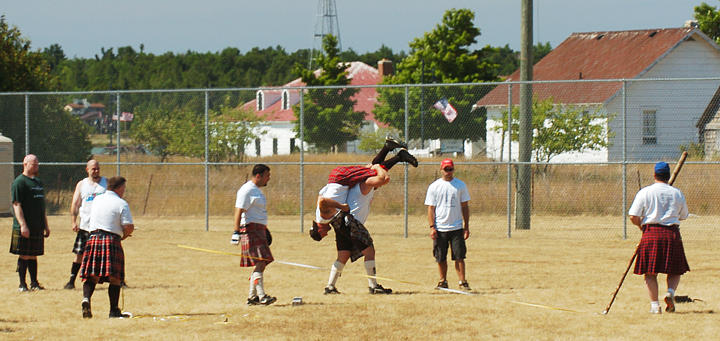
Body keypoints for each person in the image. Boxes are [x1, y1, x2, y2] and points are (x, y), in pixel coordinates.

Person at [310, 138, 417, 241]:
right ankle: (394, 152)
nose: (327, 234)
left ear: (319, 230)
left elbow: (322, 200)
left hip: (341, 179)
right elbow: (321, 195)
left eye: (323, 235)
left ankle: (394, 152)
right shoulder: (320, 215)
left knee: (375, 172)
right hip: (339, 180)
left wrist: (342, 206)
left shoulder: (324, 217)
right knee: (372, 170)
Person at [628, 161, 689, 314]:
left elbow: (633, 216)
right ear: (668, 176)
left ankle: (655, 306)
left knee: (650, 272)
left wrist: (641, 226)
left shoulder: (645, 192)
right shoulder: (677, 193)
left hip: (651, 234)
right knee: (675, 270)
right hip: (672, 234)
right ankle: (670, 292)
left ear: (654, 175)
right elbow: (683, 216)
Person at [323, 174, 392, 295]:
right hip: (352, 223)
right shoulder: (363, 187)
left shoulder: (357, 186)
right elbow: (382, 175)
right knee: (369, 251)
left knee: (343, 255)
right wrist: (393, 160)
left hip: (342, 222)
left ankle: (330, 286)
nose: (378, 185)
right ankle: (373, 286)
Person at [79, 176, 134, 319]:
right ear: (119, 188)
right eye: (123, 188)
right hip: (111, 241)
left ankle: (86, 299)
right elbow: (128, 226)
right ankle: (114, 311)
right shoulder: (121, 203)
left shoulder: (97, 199)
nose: (124, 191)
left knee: (92, 275)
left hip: (93, 238)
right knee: (115, 277)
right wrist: (124, 235)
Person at [232, 164, 276, 306]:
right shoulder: (247, 190)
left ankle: (252, 297)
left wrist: (265, 230)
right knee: (260, 262)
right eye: (267, 175)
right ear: (259, 176)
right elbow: (239, 211)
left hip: (259, 229)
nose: (268, 178)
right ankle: (262, 296)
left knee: (261, 263)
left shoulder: (256, 190)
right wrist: (236, 232)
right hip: (251, 230)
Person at [425, 158, 471, 291]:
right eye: (446, 169)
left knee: (459, 256)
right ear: (441, 169)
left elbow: (465, 206)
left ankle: (462, 281)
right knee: (440, 257)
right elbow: (430, 208)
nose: (448, 172)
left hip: (456, 228)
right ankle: (442, 281)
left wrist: (466, 226)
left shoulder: (460, 185)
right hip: (440, 228)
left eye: (450, 169)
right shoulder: (434, 186)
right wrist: (432, 227)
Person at [9, 154, 50, 292]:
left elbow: (41, 206)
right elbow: (16, 204)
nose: (36, 166)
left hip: (37, 225)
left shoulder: (38, 182)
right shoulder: (19, 182)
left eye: (37, 164)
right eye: (34, 164)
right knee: (24, 254)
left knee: (33, 254)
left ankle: (34, 283)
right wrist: (22, 225)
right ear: (25, 164)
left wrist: (46, 225)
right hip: (25, 225)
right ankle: (22, 284)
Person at [65, 160, 107, 290]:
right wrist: (73, 221)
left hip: (102, 226)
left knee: (106, 255)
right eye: (93, 169)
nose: (96, 171)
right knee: (79, 254)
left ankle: (117, 279)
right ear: (87, 169)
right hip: (85, 226)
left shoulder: (106, 183)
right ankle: (71, 281)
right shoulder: (82, 184)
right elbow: (75, 204)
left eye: (98, 169)